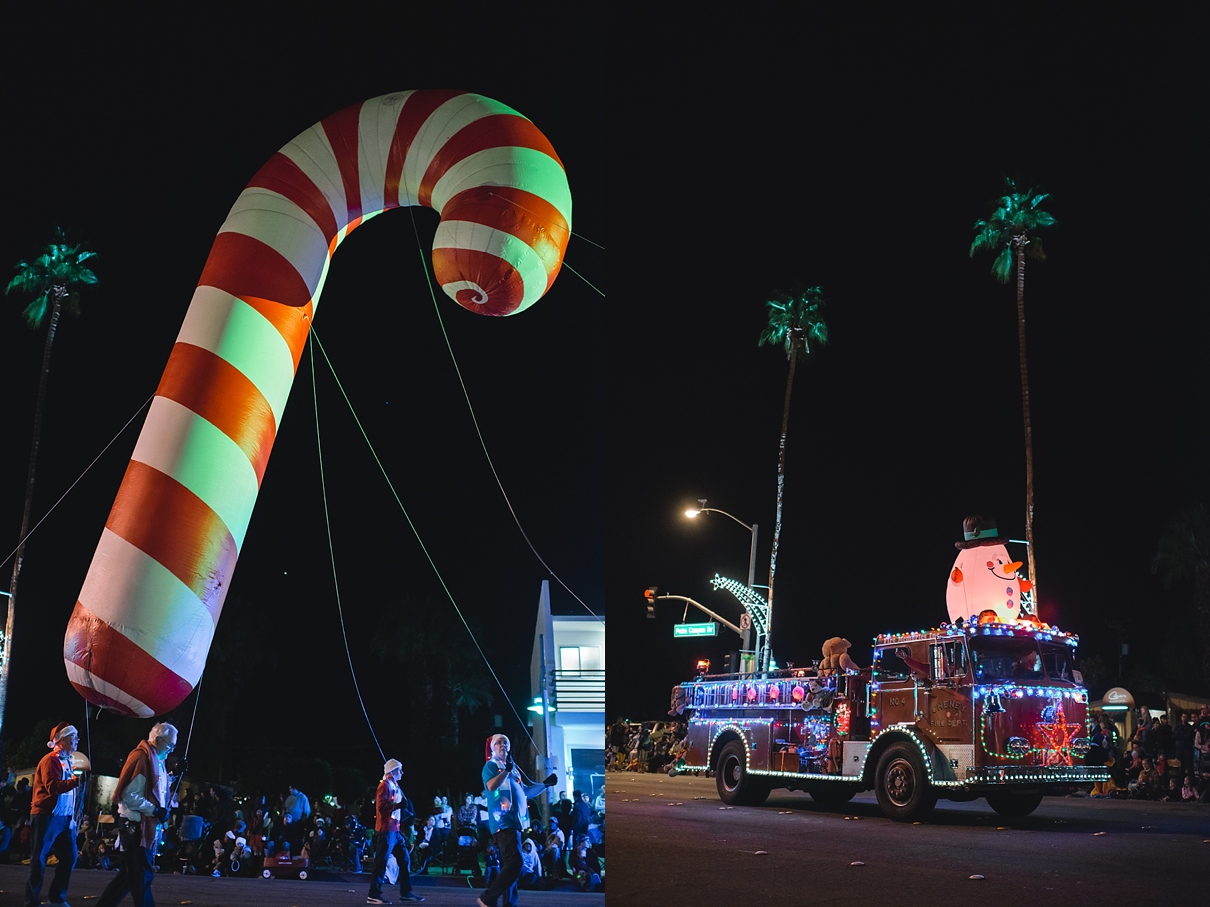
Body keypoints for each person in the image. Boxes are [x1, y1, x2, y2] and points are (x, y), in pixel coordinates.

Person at [95, 722, 178, 907]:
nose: (172, 749)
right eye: (170, 744)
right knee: (142, 874)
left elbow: (152, 789)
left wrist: (173, 775)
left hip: (139, 824)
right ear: (157, 739)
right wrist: (155, 810)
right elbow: (129, 795)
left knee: (128, 875)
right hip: (135, 825)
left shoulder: (155, 759)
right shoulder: (142, 758)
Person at [476, 734, 556, 907]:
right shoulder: (491, 766)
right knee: (516, 863)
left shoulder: (513, 769)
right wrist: (505, 771)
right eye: (498, 743)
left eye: (505, 742)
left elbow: (526, 792)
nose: (502, 745)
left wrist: (545, 785)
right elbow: (491, 786)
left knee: (510, 865)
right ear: (493, 748)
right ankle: (487, 898)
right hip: (503, 822)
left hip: (515, 822)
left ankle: (509, 903)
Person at [26, 722, 81, 907]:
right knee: (39, 858)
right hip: (47, 815)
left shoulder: (66, 761)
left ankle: (57, 897)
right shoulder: (51, 760)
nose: (77, 741)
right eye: (74, 737)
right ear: (62, 740)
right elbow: (52, 787)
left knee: (70, 856)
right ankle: (32, 900)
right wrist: (75, 782)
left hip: (64, 818)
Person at [367, 758, 424, 904]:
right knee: (381, 862)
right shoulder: (384, 786)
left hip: (395, 831)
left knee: (404, 860)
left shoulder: (393, 785)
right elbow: (381, 807)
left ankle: (406, 892)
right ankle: (374, 894)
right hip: (387, 831)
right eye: (400, 770)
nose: (402, 772)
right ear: (392, 771)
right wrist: (398, 805)